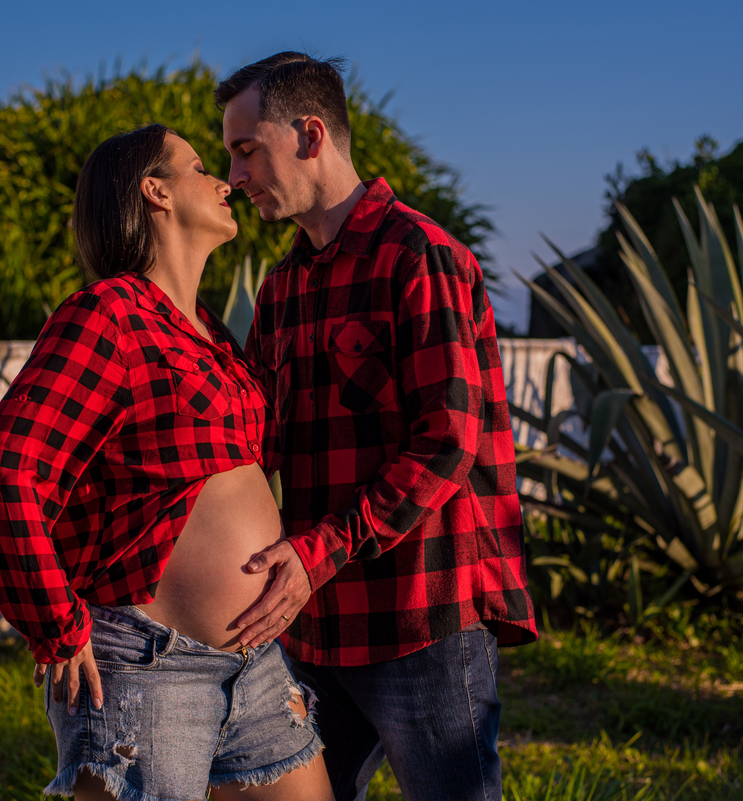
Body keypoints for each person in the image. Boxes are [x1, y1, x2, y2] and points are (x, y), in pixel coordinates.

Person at [0, 123, 333, 801]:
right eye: (200, 167)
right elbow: (4, 464)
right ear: (155, 191)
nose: (226, 181)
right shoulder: (108, 314)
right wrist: (56, 623)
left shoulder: (209, 331)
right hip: (147, 669)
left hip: (253, 666)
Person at [216, 53, 539, 801]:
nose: (235, 176)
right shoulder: (282, 285)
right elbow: (256, 440)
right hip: (313, 623)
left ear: (309, 135)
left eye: (245, 149)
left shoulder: (421, 256)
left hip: (420, 616)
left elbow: (447, 440)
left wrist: (319, 549)